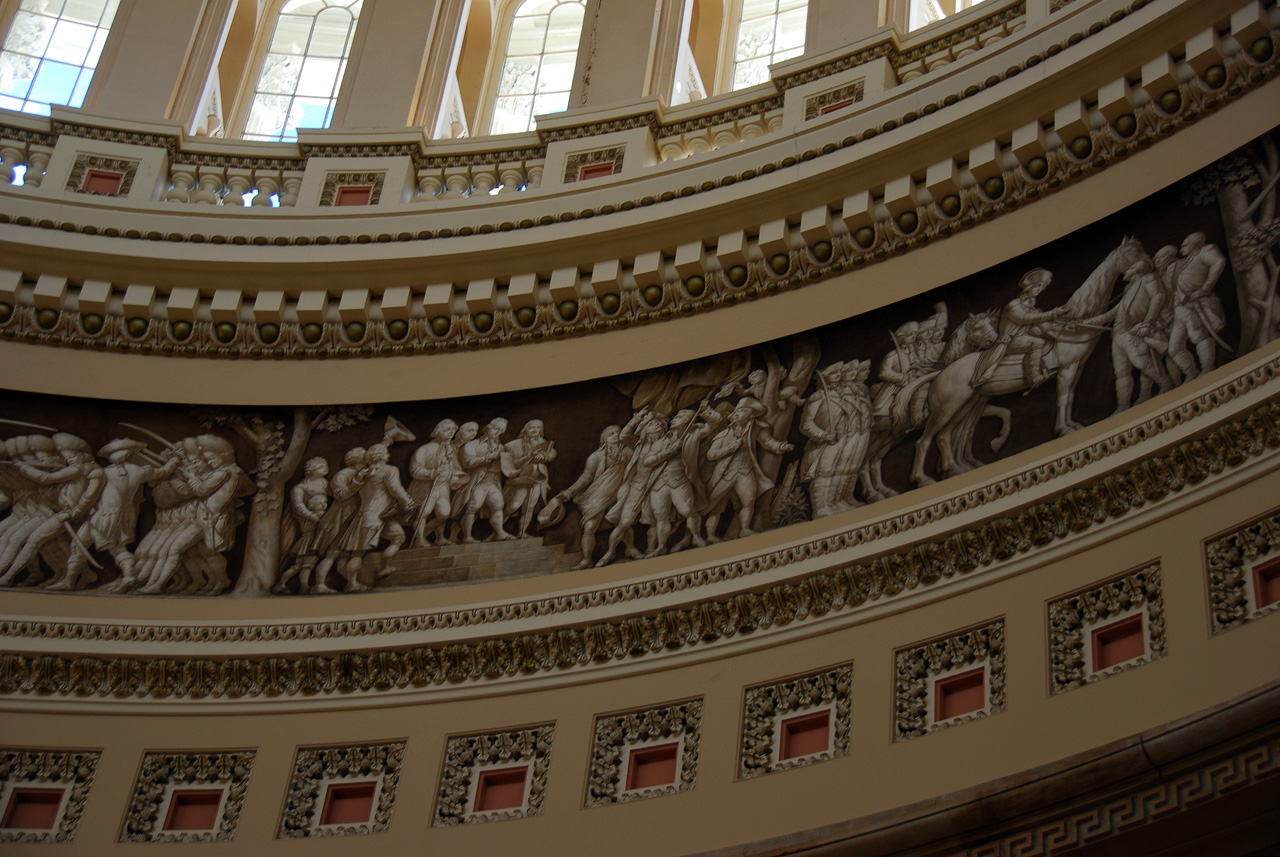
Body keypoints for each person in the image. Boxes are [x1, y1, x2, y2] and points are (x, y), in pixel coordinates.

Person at [702, 399, 794, 540]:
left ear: (751, 415)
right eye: (736, 411)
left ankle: (744, 529)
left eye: (743, 411)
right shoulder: (723, 434)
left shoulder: (756, 429)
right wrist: (729, 448)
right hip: (725, 473)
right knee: (716, 506)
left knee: (749, 500)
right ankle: (710, 535)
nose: (737, 413)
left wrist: (780, 446)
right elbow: (711, 455)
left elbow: (767, 442)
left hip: (745, 470)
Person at [971, 268, 1071, 389]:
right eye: (1037, 286)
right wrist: (1053, 313)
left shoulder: (1029, 304)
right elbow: (1024, 319)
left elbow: (1034, 321)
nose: (1039, 290)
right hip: (1007, 341)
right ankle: (1034, 377)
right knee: (1037, 342)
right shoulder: (1014, 305)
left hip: (1020, 337)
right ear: (1028, 287)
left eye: (1041, 287)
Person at [1167, 232, 1228, 380]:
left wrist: (1204, 289)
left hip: (1195, 305)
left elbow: (1219, 262)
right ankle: (1192, 373)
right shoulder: (1186, 261)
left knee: (1198, 336)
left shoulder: (1204, 252)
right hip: (1180, 309)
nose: (1181, 249)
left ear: (1195, 244)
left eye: (1185, 245)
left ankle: (1208, 367)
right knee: (1174, 348)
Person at [273, 457, 330, 594]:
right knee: (301, 565)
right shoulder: (299, 488)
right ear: (310, 470)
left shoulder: (324, 483)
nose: (325, 468)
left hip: (316, 531)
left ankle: (303, 586)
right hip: (307, 528)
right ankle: (282, 584)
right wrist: (313, 517)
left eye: (325, 465)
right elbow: (298, 506)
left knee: (306, 565)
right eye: (320, 466)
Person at [460, 418, 513, 543]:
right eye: (495, 429)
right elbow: (467, 462)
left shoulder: (501, 447)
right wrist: (488, 457)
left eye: (501, 430)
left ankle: (499, 533)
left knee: (498, 505)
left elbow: (507, 466)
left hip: (493, 481)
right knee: (473, 506)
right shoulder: (472, 445)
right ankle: (467, 536)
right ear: (488, 427)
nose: (498, 432)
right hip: (477, 482)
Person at [502, 419, 556, 538]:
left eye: (538, 427)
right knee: (514, 505)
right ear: (525, 429)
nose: (535, 430)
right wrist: (528, 457)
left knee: (529, 507)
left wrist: (545, 457)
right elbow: (511, 464)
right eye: (532, 427)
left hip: (537, 479)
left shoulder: (544, 444)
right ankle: (498, 529)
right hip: (521, 478)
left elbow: (552, 454)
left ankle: (522, 532)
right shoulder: (512, 445)